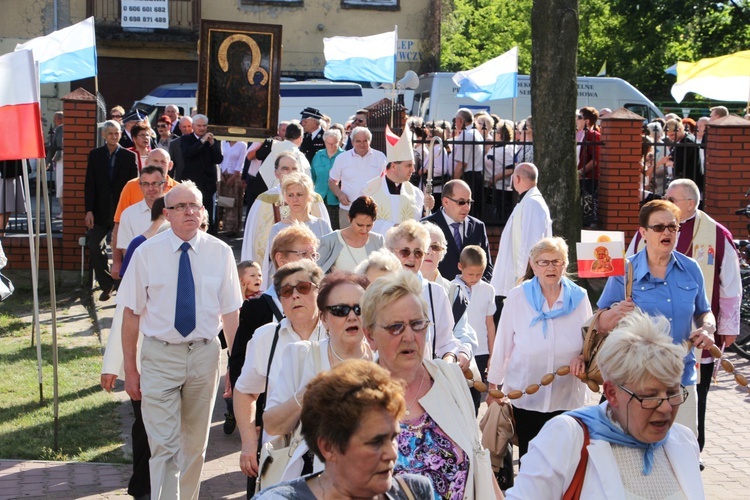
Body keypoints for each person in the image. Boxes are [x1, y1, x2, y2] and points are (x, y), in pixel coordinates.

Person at [119, 181, 242, 498]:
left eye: (195, 206)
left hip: (204, 356)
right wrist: (130, 370)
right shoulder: (147, 254)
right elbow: (131, 314)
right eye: (180, 207)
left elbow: (230, 314)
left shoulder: (220, 253)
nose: (189, 212)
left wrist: (237, 367)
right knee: (164, 447)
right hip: (160, 356)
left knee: (195, 447)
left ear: (204, 212)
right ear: (167, 214)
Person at [506, 309, 705, 499]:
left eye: (672, 393)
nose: (666, 407)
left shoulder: (684, 441)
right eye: (650, 396)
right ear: (612, 393)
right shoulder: (566, 438)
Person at [362, 272, 502, 499]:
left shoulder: (449, 378)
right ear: (369, 335)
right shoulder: (353, 397)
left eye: (417, 324)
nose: (409, 336)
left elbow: (478, 462)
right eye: (396, 327)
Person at [628, 180, 741, 459]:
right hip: (642, 360)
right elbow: (627, 268)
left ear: (690, 204)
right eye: (659, 228)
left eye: (672, 198)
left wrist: (724, 327)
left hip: (690, 347)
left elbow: (730, 285)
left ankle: (693, 451)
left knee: (694, 401)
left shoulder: (716, 234)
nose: (666, 230)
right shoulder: (646, 232)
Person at [597, 199, 716, 437]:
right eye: (659, 227)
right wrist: (617, 312)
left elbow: (705, 311)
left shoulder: (691, 267)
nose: (667, 232)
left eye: (673, 227)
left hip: (680, 377)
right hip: (637, 380)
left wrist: (707, 328)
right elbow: (600, 323)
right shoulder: (625, 270)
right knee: (635, 449)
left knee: (682, 448)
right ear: (643, 232)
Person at [254, 360, 435, 499]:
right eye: (376, 442)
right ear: (328, 447)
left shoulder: (415, 492)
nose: (392, 454)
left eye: (393, 437)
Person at [487, 237, 593, 460]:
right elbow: (503, 342)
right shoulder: (518, 297)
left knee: (565, 461)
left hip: (567, 396)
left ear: (565, 265)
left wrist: (582, 357)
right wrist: (493, 386)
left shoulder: (579, 298)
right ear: (533, 266)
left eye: (557, 261)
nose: (551, 267)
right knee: (530, 458)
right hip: (526, 396)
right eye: (543, 262)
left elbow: (590, 341)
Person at [263, 271, 373, 482]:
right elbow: (272, 425)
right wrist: (307, 394)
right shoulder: (300, 356)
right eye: (340, 310)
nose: (352, 316)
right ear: (323, 318)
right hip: (313, 481)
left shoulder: (381, 361)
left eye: (359, 309)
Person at [234, 260, 326, 495]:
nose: (295, 296)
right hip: (281, 453)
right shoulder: (266, 337)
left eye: (303, 288)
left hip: (330, 455)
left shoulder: (336, 332)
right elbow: (245, 391)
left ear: (320, 291)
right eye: (286, 291)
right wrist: (248, 442)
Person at [100, 197, 168, 500]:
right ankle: (143, 486)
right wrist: (114, 365)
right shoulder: (144, 250)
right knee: (145, 425)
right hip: (142, 356)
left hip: (178, 359)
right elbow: (125, 312)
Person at [226, 224, 320, 437]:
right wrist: (254, 421)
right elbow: (242, 361)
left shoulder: (323, 308)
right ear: (281, 259)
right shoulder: (257, 307)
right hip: (273, 418)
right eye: (303, 253)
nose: (311, 260)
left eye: (313, 254)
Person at [385, 220, 476, 368]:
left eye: (418, 252)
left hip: (426, 380)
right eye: (405, 252)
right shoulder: (379, 291)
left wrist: (448, 361)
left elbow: (446, 342)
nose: (412, 258)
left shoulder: (436, 292)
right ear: (391, 252)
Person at [241, 151, 329, 263]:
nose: (290, 173)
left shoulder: (315, 199)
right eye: (285, 169)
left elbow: (328, 243)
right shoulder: (264, 200)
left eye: (294, 169)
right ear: (276, 173)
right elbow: (252, 240)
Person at [490, 163, 552, 320]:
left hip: (522, 282)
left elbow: (532, 245)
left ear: (516, 178)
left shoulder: (532, 203)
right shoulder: (528, 201)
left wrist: (522, 281)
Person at [84, 120, 138, 301]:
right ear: (103, 135)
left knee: (123, 249)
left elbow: (133, 186)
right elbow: (89, 184)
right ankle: (106, 284)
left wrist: (131, 212)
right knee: (94, 246)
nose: (114, 137)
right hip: (99, 210)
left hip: (121, 210)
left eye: (117, 133)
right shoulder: (95, 155)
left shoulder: (128, 156)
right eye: (111, 133)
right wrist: (89, 210)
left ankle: (121, 285)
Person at [261, 173, 332, 287]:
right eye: (290, 195)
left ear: (309, 196)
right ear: (285, 198)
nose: (295, 199)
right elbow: (275, 265)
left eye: (299, 194)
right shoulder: (277, 229)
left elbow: (331, 259)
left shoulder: (322, 225)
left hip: (318, 284)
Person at [360, 127, 432, 235]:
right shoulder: (369, 191)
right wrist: (394, 228)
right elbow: (361, 222)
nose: (413, 170)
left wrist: (427, 209)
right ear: (393, 166)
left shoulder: (416, 193)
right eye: (408, 165)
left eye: (413, 165)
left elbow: (422, 224)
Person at [422, 179, 493, 282]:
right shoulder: (425, 226)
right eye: (461, 202)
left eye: (469, 202)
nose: (466, 207)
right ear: (446, 202)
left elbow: (487, 266)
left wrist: (476, 290)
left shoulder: (478, 226)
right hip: (439, 292)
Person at [451, 245, 496, 393]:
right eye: (471, 274)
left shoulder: (489, 290)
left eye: (480, 274)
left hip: (481, 351)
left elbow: (490, 324)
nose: (475, 278)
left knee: (476, 397)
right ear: (460, 266)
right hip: (459, 351)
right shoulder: (450, 288)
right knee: (458, 395)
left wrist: (492, 354)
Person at [328, 126, 387, 229]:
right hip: (348, 209)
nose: (362, 144)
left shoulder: (380, 157)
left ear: (370, 141)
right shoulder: (342, 158)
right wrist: (340, 194)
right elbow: (332, 181)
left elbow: (386, 181)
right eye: (358, 141)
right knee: (347, 241)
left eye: (365, 141)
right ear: (352, 141)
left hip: (374, 209)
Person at [114, 166, 167, 276]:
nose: (150, 188)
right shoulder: (128, 214)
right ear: (140, 187)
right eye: (146, 184)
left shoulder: (176, 210)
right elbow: (127, 251)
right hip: (140, 275)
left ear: (164, 185)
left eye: (155, 183)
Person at [179, 114, 223, 234]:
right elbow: (188, 153)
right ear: (193, 126)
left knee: (207, 212)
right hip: (192, 183)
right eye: (199, 125)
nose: (202, 128)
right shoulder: (186, 139)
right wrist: (202, 141)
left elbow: (218, 159)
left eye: (204, 126)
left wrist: (212, 144)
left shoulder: (213, 141)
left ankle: (209, 234)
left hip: (208, 184)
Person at [317, 195, 384, 273]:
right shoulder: (330, 240)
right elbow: (316, 272)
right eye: (360, 225)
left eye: (369, 225)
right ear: (349, 218)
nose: (364, 230)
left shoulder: (378, 240)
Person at [451, 108, 485, 216]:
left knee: (465, 209)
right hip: (476, 175)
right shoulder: (476, 133)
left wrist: (453, 182)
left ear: (460, 120)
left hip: (469, 176)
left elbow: (462, 163)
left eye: (455, 120)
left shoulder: (467, 135)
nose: (455, 123)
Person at [310, 128, 343, 228]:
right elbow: (312, 176)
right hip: (319, 198)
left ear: (340, 141)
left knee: (334, 228)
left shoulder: (344, 156)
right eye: (329, 143)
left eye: (334, 143)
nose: (331, 146)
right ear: (324, 142)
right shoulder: (318, 155)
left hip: (336, 200)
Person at [218, 140, 248, 236]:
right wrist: (221, 174)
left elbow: (241, 162)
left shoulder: (242, 145)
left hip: (235, 176)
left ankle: (233, 228)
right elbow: (220, 160)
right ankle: (222, 225)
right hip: (223, 175)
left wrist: (233, 177)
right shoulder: (223, 142)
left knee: (234, 202)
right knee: (223, 201)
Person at [419, 221, 452, 290]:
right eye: (425, 246)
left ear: (442, 252)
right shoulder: (398, 288)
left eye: (435, 247)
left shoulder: (452, 292)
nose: (429, 252)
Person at [46, 111, 64, 215]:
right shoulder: (58, 130)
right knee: (60, 186)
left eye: (55, 119)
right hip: (60, 159)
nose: (53, 121)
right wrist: (48, 161)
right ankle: (63, 211)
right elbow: (52, 147)